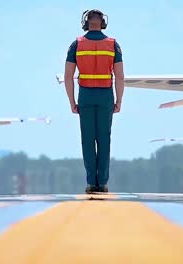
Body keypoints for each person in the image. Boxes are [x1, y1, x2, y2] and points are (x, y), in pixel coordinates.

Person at [64, 9, 124, 194]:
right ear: (102, 21)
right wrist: (119, 100)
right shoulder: (113, 45)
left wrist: (72, 101)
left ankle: (92, 182)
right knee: (104, 139)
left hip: (86, 95)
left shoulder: (76, 44)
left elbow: (68, 77)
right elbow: (120, 77)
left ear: (87, 21)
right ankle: (102, 183)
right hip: (105, 95)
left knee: (87, 140)